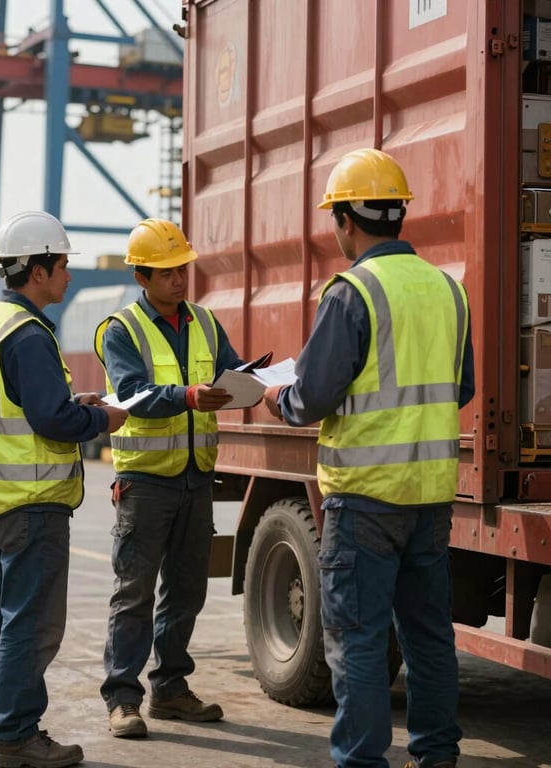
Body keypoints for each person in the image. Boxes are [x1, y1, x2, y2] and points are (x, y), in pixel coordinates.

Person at [263, 148, 474, 768]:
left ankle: (361, 761)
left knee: (357, 637)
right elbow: (460, 389)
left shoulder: (351, 292)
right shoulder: (447, 290)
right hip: (431, 495)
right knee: (430, 635)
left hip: (364, 498)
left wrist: (279, 399)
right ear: (399, 216)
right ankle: (436, 756)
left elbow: (315, 395)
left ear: (347, 221)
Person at [0, 210, 128, 768]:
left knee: (0, 615)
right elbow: (50, 424)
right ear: (36, 270)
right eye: (62, 265)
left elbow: (28, 408)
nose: (69, 276)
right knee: (30, 625)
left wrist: (70, 406)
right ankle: (17, 737)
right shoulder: (29, 335)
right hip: (32, 503)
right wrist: (105, 421)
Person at [94, 218, 245, 738]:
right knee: (133, 592)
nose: (179, 279)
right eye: (166, 272)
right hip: (146, 482)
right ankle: (122, 698)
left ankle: (172, 690)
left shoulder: (204, 321)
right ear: (141, 276)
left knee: (185, 590)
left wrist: (256, 380)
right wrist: (187, 395)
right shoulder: (121, 329)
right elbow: (132, 394)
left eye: (182, 268)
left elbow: (230, 370)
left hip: (196, 478)